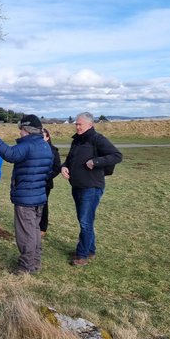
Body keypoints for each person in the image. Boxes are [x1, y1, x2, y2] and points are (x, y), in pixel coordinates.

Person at [0, 115, 52, 275]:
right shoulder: (45, 146)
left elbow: (10, 154)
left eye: (20, 129)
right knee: (34, 231)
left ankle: (26, 267)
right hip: (39, 196)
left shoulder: (28, 145)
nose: (19, 133)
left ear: (26, 130)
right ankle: (35, 262)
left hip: (26, 198)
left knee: (25, 234)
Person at [61, 112, 123, 266]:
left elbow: (117, 155)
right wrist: (64, 167)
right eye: (76, 124)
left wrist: (95, 161)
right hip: (77, 186)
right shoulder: (76, 141)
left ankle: (82, 255)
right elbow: (69, 160)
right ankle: (90, 250)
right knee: (85, 221)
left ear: (90, 125)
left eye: (80, 124)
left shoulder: (97, 139)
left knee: (85, 222)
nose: (77, 126)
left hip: (92, 187)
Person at [40, 128, 62, 237]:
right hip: (34, 182)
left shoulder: (53, 151)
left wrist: (46, 177)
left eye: (42, 136)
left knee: (43, 204)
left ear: (48, 137)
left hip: (45, 183)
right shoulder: (36, 149)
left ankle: (42, 228)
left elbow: (57, 168)